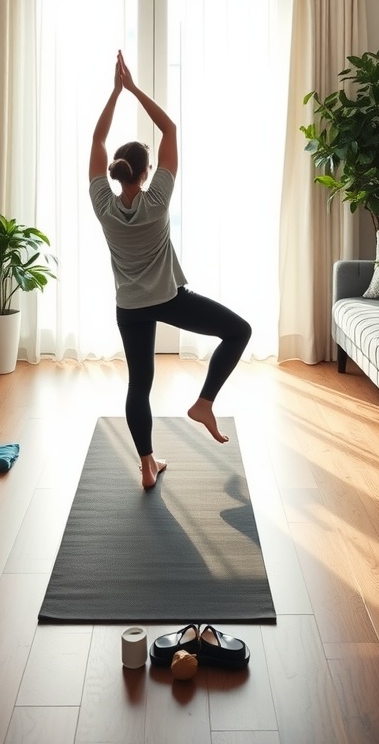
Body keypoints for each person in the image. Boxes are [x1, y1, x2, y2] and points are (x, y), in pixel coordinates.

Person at [89, 50, 252, 488]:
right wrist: (134, 88)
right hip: (169, 298)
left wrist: (114, 93)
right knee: (239, 331)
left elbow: (96, 141)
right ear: (145, 174)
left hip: (130, 307)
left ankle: (146, 464)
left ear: (119, 174)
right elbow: (170, 129)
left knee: (139, 385)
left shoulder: (103, 205)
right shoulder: (157, 201)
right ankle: (204, 401)